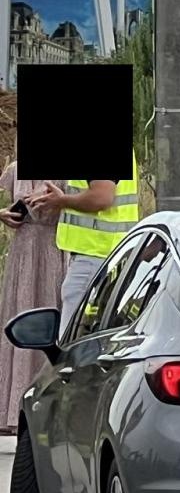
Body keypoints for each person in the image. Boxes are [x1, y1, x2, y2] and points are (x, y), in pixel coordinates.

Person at [28, 154, 140, 339]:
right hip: (111, 252)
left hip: (94, 254)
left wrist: (62, 200)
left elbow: (101, 197)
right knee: (100, 334)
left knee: (73, 339)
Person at [0, 163, 67, 434]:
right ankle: (11, 408)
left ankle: (44, 406)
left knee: (48, 317)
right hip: (23, 250)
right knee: (20, 317)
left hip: (52, 247)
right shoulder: (15, 169)